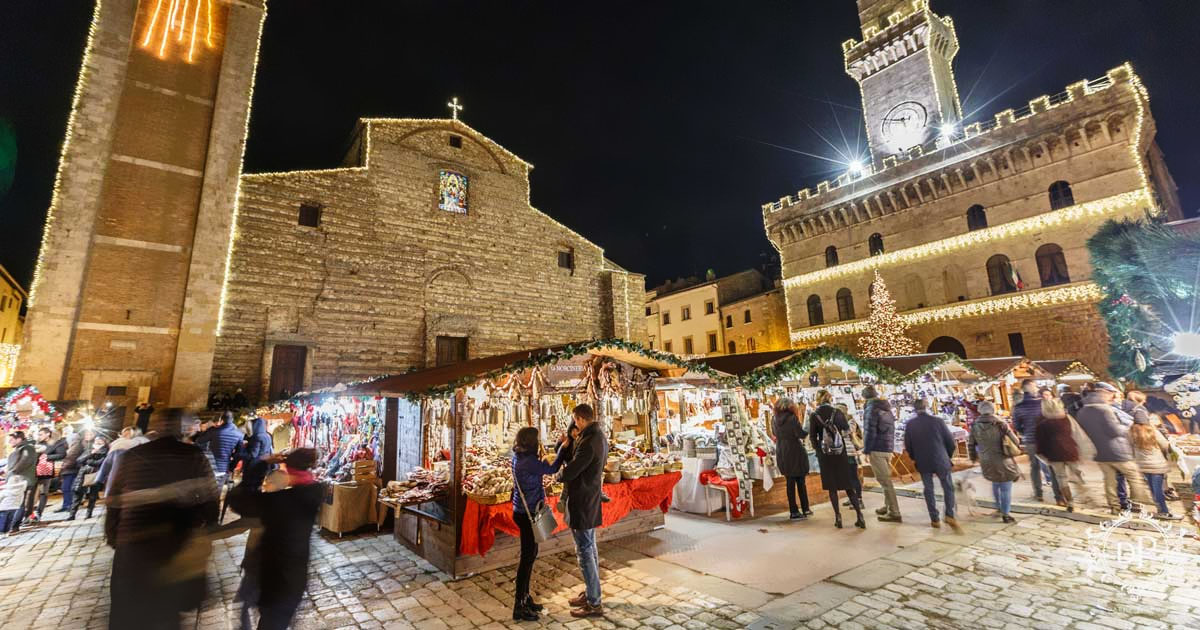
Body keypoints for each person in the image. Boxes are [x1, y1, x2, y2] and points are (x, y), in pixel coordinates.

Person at [105, 408, 220, 630]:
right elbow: (211, 500)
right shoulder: (193, 455)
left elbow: (114, 499)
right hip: (173, 542)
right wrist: (208, 528)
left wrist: (114, 535)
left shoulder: (133, 455)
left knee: (127, 612)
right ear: (184, 429)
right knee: (167, 613)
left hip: (133, 542)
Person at [229, 448, 324, 630]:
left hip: (273, 578)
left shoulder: (279, 502)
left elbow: (238, 499)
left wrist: (262, 463)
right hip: (294, 576)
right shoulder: (314, 491)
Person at [510, 427, 568, 621]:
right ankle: (519, 606)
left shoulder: (519, 457)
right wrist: (563, 448)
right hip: (527, 513)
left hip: (521, 511)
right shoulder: (528, 462)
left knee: (531, 554)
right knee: (527, 558)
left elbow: (542, 468)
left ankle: (526, 598)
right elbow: (553, 469)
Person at [558, 403, 607, 618]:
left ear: (579, 419)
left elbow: (572, 470)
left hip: (583, 499)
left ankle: (594, 603)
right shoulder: (598, 436)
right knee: (590, 547)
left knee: (585, 551)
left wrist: (559, 475)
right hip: (588, 497)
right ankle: (590, 593)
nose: (574, 423)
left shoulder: (589, 442)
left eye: (575, 419)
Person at [1076, 382, 1153, 513]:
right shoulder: (1104, 409)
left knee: (1109, 481)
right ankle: (1136, 503)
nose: (1111, 397)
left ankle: (1115, 508)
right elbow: (1115, 431)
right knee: (1134, 476)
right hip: (1118, 451)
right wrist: (1128, 426)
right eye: (1110, 394)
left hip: (1099, 452)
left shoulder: (1082, 410)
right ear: (1103, 392)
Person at [808, 390, 865, 529]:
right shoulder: (837, 412)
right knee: (848, 485)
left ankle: (838, 517)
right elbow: (846, 431)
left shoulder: (814, 415)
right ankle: (859, 516)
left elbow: (812, 437)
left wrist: (818, 450)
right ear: (829, 398)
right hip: (840, 453)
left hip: (825, 455)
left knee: (832, 488)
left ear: (818, 399)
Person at [903, 398, 961, 533]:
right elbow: (950, 442)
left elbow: (909, 446)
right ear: (927, 406)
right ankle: (949, 515)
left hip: (923, 460)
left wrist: (914, 458)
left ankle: (934, 518)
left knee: (928, 489)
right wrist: (947, 456)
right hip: (940, 458)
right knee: (947, 487)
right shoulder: (938, 421)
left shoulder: (911, 424)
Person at [968, 401, 1021, 523]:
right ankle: (1006, 513)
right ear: (993, 410)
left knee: (995, 483)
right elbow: (1016, 441)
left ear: (980, 410)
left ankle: (998, 507)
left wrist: (973, 458)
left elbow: (971, 444)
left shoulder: (975, 426)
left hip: (986, 460)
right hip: (1003, 459)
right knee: (1005, 487)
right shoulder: (1001, 424)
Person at [1034, 398, 1089, 512]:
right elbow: (1078, 434)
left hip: (1054, 455)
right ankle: (1084, 494)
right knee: (1076, 473)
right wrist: (1082, 451)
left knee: (1061, 479)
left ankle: (1070, 502)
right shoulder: (1067, 419)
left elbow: (1040, 444)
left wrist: (1044, 457)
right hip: (1070, 451)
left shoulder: (1042, 424)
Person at [1011, 380, 1060, 503]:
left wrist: (1026, 431)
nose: (1036, 388)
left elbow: (1016, 425)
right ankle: (1058, 496)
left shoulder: (1018, 406)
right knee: (1052, 466)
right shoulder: (1043, 402)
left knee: (1034, 467)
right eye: (1034, 386)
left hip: (1030, 439)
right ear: (1031, 388)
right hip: (1046, 438)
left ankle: (1038, 494)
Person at [862, 385, 901, 523]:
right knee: (886, 479)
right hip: (887, 447)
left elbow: (869, 431)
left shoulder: (871, 409)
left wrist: (866, 450)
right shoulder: (887, 408)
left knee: (885, 481)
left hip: (877, 448)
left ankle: (894, 512)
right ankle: (888, 506)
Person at [1130, 415, 1180, 520]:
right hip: (1157, 465)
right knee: (1158, 490)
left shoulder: (1130, 432)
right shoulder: (1152, 430)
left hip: (1142, 465)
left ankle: (1160, 508)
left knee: (1153, 489)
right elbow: (1165, 445)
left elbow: (1129, 446)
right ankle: (1164, 511)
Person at [772, 398, 811, 520]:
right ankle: (805, 508)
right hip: (795, 450)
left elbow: (774, 433)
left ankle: (794, 510)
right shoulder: (792, 418)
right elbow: (801, 434)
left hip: (782, 450)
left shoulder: (774, 419)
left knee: (790, 481)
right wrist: (808, 426)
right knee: (800, 480)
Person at [195, 411, 245, 484]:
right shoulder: (239, 435)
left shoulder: (214, 431)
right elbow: (239, 454)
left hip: (210, 466)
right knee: (217, 491)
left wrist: (205, 430)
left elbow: (199, 440)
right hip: (224, 468)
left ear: (221, 420)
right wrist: (231, 468)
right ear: (232, 420)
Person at [69, 435, 110, 520]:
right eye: (96, 441)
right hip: (83, 474)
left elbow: (99, 463)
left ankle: (89, 513)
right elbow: (79, 460)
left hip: (95, 474)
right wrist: (90, 454)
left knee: (92, 495)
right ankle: (72, 515)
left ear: (104, 443)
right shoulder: (88, 450)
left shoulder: (105, 452)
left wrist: (88, 461)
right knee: (78, 494)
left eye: (100, 441)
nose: (97, 443)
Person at [3, 431, 37, 533]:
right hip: (18, 479)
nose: (9, 441)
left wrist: (12, 470)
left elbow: (24, 462)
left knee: (19, 503)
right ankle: (13, 525)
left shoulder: (27, 448)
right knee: (16, 503)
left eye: (12, 439)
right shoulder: (21, 448)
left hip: (22, 480)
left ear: (19, 439)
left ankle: (14, 526)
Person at [34, 427, 68, 520]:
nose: (39, 436)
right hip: (34, 470)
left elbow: (62, 454)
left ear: (47, 434)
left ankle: (38, 513)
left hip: (45, 470)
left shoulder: (56, 443)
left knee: (43, 492)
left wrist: (47, 457)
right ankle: (29, 513)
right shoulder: (38, 443)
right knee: (32, 492)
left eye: (41, 434)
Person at [58, 428, 94, 513]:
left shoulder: (76, 446)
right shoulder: (74, 445)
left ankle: (69, 505)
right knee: (67, 488)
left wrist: (63, 466)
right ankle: (67, 504)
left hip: (71, 469)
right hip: (70, 469)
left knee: (67, 488)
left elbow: (71, 458)